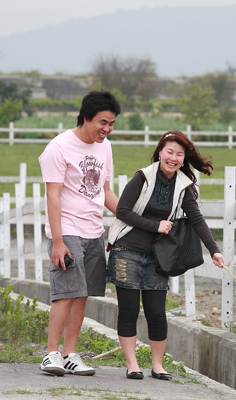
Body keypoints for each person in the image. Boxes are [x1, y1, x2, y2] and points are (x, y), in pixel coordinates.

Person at [106, 130, 226, 380]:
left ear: (184, 158)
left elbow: (197, 220)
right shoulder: (142, 178)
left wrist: (214, 250)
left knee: (156, 312)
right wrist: (156, 225)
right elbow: (122, 212)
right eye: (169, 151)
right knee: (128, 310)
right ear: (160, 152)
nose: (173, 157)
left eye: (179, 154)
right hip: (126, 250)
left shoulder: (184, 186)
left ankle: (157, 365)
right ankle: (132, 365)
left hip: (158, 256)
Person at [38, 90, 121, 376]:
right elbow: (53, 196)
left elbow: (105, 191)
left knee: (82, 294)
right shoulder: (58, 148)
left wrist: (131, 218)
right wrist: (58, 241)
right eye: (102, 122)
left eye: (111, 124)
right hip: (67, 229)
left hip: (93, 229)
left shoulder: (105, 146)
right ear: (86, 117)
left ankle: (70, 354)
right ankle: (51, 354)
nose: (106, 129)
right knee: (66, 293)